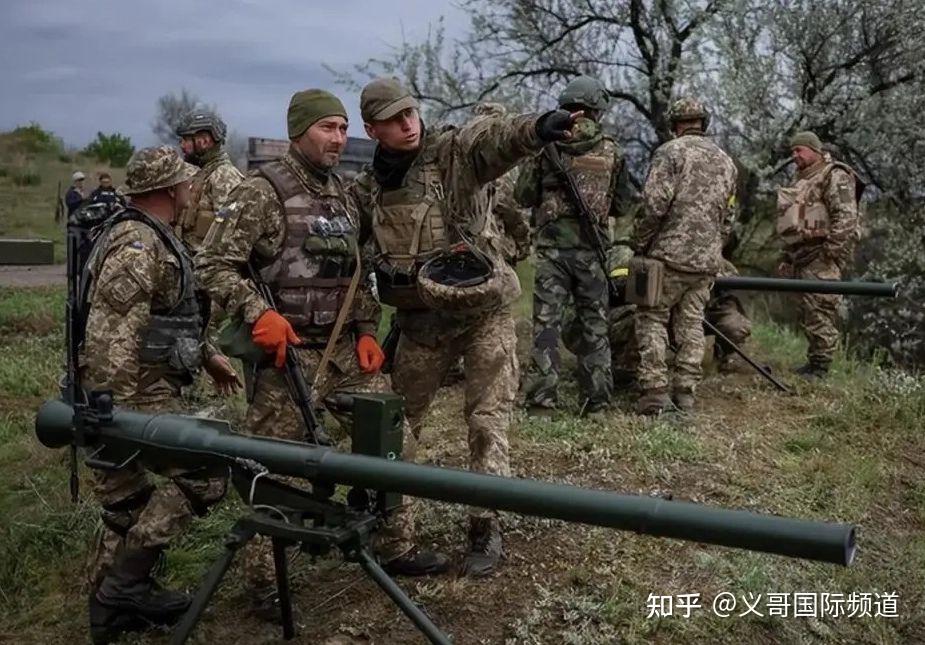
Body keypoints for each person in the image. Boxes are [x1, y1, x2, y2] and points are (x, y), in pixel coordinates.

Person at [195, 89, 449, 605]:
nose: (338, 138)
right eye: (326, 128)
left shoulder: (344, 193)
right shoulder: (260, 191)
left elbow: (355, 271)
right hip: (285, 360)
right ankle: (267, 584)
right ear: (298, 132)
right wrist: (256, 311)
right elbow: (212, 264)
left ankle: (393, 545)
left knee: (394, 445)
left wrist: (363, 332)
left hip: (340, 355)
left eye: (341, 128)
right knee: (277, 471)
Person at [350, 76, 579, 576]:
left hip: (483, 315)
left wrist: (539, 127)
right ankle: (393, 530)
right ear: (372, 129)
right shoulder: (368, 188)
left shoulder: (453, 153)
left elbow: (495, 140)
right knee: (396, 424)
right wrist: (367, 325)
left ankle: (485, 524)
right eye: (393, 119)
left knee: (485, 421)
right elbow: (356, 265)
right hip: (420, 322)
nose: (408, 124)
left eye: (411, 112)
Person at [80, 146, 240, 643]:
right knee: (209, 470)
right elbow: (112, 339)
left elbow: (167, 316)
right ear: (172, 190)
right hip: (130, 396)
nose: (193, 192)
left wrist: (207, 353)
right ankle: (124, 590)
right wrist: (116, 419)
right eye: (187, 185)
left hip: (130, 391)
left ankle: (109, 609)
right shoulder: (137, 245)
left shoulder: (155, 238)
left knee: (127, 506)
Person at [514, 75, 632, 417]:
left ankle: (541, 404)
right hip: (592, 254)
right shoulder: (612, 150)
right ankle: (597, 403)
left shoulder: (544, 146)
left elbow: (523, 196)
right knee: (595, 325)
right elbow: (623, 205)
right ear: (596, 110)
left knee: (546, 328)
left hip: (552, 254)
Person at [632, 97, 737, 415]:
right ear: (703, 123)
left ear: (675, 124)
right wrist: (713, 248)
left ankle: (654, 392)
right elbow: (728, 217)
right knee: (691, 323)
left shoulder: (670, 153)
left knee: (651, 318)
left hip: (668, 256)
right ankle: (685, 394)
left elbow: (654, 205)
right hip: (706, 261)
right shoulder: (726, 161)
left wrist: (639, 242)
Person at [776, 131, 862, 379]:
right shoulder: (801, 179)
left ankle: (821, 367)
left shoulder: (834, 175)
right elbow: (791, 221)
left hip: (821, 255)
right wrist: (787, 256)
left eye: (799, 150)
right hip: (800, 255)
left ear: (814, 150)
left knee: (820, 310)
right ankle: (814, 362)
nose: (795, 156)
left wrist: (830, 252)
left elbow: (846, 218)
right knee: (806, 311)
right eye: (793, 151)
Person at [175, 110, 244, 252]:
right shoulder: (202, 173)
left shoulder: (224, 176)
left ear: (205, 142)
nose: (181, 145)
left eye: (185, 139)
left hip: (208, 268)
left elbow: (230, 236)